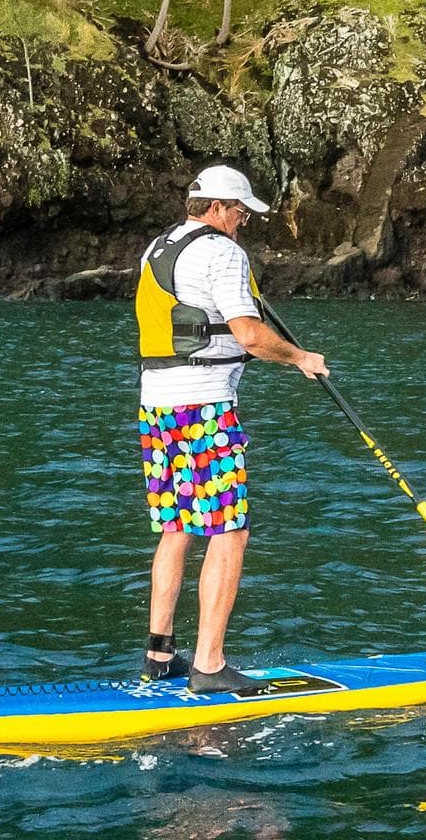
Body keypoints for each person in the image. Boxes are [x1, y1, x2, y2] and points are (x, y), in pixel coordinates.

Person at [134, 164, 326, 692]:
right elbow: (249, 336)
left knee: (177, 527)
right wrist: (301, 357)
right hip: (203, 409)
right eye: (240, 211)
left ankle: (159, 655)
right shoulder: (222, 251)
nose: (243, 221)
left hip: (157, 408)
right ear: (217, 207)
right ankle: (210, 666)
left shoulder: (160, 245)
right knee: (229, 530)